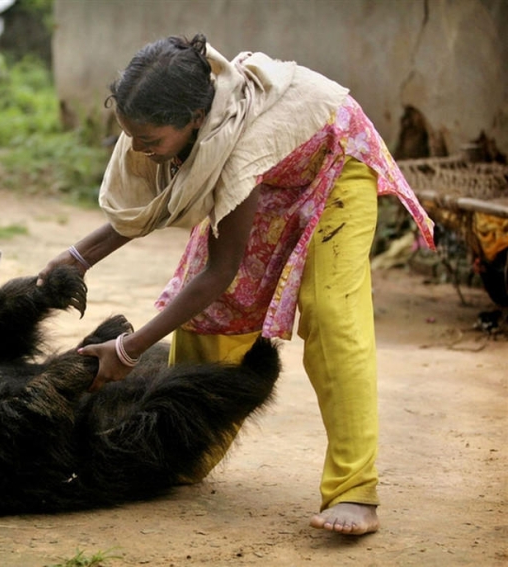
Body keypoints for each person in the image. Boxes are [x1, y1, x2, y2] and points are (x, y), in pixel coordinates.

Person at [37, 34, 435, 536]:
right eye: (132, 138)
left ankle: (354, 489)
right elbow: (157, 204)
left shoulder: (240, 141)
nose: (141, 151)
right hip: (267, 181)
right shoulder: (177, 123)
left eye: (152, 141)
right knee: (211, 317)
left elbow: (219, 271)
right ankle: (184, 451)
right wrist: (77, 257)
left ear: (196, 119)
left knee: (332, 314)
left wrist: (128, 349)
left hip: (333, 172)